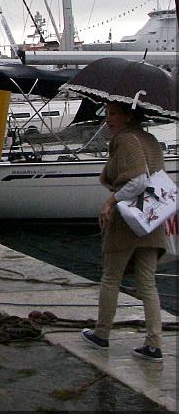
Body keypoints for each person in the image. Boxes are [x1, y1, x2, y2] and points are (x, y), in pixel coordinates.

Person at [81, 101, 167, 362]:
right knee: (147, 283)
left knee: (111, 277)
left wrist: (111, 201)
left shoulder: (125, 140)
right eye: (106, 114)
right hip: (152, 218)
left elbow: (138, 179)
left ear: (129, 116)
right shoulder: (150, 139)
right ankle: (154, 344)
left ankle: (102, 334)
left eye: (114, 114)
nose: (108, 120)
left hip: (128, 220)